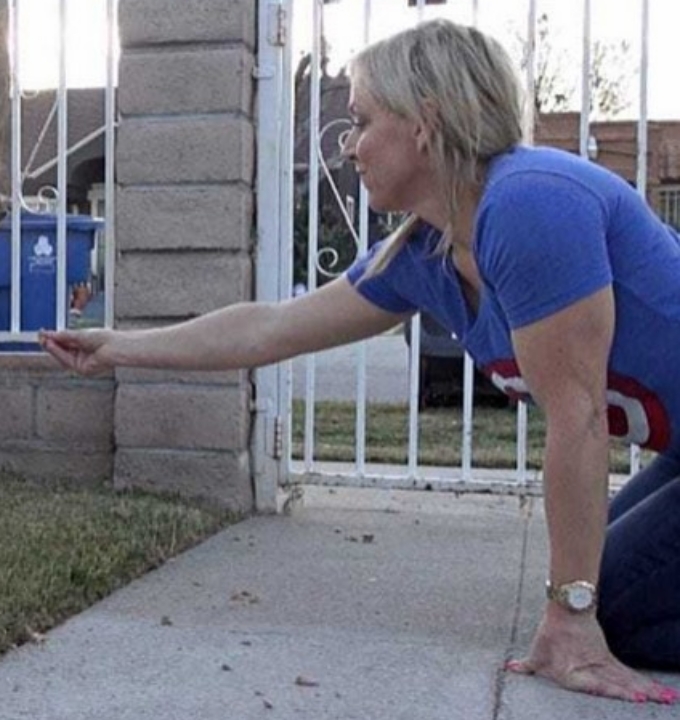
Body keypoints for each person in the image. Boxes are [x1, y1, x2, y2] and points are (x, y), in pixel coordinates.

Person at [40, 18, 680, 705]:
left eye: (361, 120)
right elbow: (271, 328)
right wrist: (121, 347)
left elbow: (578, 419)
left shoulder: (531, 202)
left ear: (425, 124)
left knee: (602, 604)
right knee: (600, 578)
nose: (347, 148)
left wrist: (571, 620)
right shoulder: (426, 254)